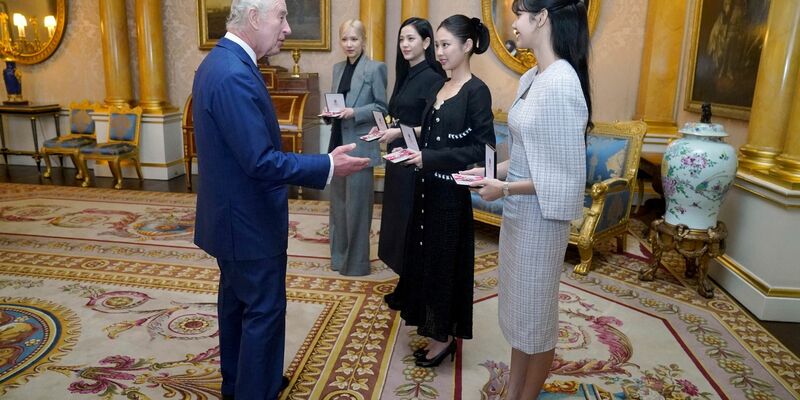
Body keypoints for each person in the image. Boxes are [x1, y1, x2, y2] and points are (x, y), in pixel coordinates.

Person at [192, 1, 370, 398]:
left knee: (237, 306)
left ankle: (243, 382)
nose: (287, 28)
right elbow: (259, 160)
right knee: (263, 312)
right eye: (282, 17)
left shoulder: (220, 63)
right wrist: (325, 165)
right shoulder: (233, 73)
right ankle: (255, 390)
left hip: (234, 215)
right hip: (247, 222)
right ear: (254, 18)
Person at [465, 0, 591, 398]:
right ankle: (515, 390)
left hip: (542, 218)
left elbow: (564, 177)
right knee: (521, 312)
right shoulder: (533, 76)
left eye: (520, 14)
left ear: (542, 18)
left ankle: (527, 394)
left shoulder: (562, 82)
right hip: (520, 212)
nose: (514, 23)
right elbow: (521, 159)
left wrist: (502, 188)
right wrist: (490, 174)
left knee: (537, 317)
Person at [397, 14, 494, 368]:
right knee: (425, 260)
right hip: (425, 190)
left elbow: (484, 151)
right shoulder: (441, 87)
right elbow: (431, 134)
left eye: (445, 45)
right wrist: (410, 148)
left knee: (444, 264)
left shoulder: (476, 91)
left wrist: (430, 158)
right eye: (436, 45)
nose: (439, 52)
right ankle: (432, 327)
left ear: (467, 46)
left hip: (450, 196)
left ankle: (444, 338)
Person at [376, 17, 446, 309]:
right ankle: (406, 283)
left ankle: (413, 289)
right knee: (397, 223)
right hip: (397, 157)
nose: (404, 44)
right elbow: (399, 114)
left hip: (416, 161)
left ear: (426, 43)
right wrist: (387, 130)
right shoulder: (406, 73)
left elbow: (433, 125)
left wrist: (398, 132)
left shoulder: (433, 76)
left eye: (411, 39)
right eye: (402, 39)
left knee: (411, 225)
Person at [324, 19, 387, 276]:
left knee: (358, 210)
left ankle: (357, 264)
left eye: (354, 39)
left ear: (363, 41)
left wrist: (354, 112)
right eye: (345, 39)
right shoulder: (338, 68)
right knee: (338, 207)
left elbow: (382, 109)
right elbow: (335, 104)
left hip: (361, 147)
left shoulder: (375, 69)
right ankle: (339, 260)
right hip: (337, 145)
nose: (349, 44)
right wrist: (329, 114)